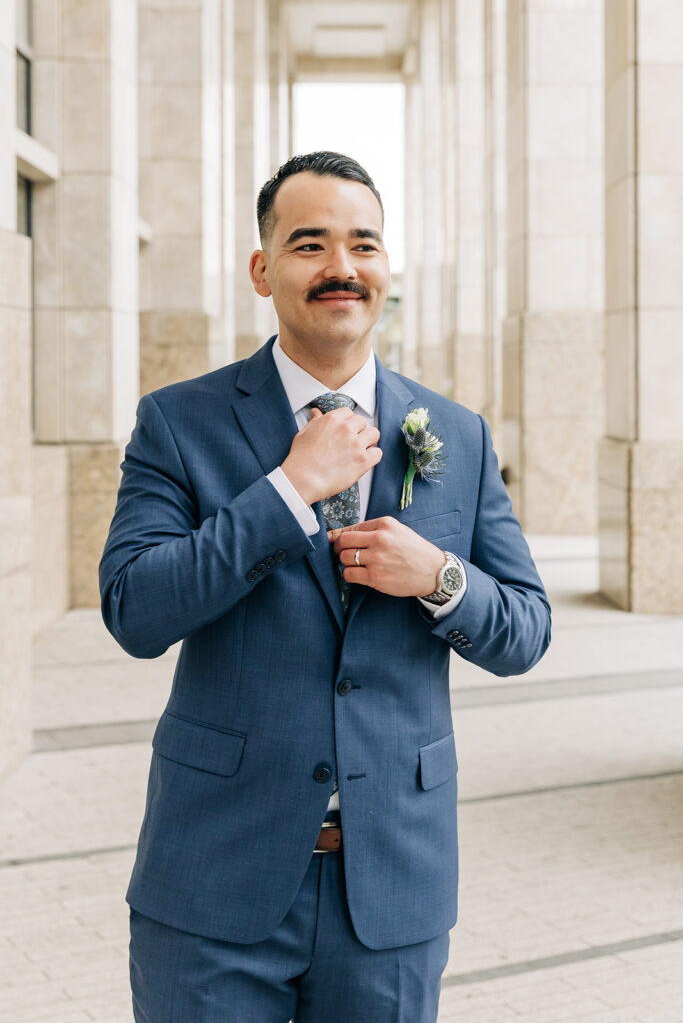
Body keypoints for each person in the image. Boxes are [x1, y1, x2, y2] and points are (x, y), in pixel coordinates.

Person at [99, 150, 550, 1022]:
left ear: (386, 267)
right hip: (213, 879)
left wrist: (439, 577)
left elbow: (525, 630)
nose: (341, 267)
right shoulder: (179, 422)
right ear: (263, 270)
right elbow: (135, 609)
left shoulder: (452, 430)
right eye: (310, 244)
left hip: (391, 885)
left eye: (363, 244)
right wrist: (284, 494)